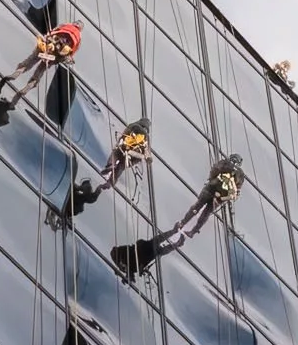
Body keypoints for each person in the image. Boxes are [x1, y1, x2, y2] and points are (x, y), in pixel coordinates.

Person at [111, 153, 245, 279]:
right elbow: (236, 194)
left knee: (196, 208)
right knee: (205, 213)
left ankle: (184, 224)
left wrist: (175, 237)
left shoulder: (225, 163)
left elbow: (214, 170)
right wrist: (223, 197)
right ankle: (191, 230)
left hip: (210, 188)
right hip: (218, 197)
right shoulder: (240, 175)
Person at [62, 118, 152, 219]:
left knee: (115, 155)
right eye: (88, 187)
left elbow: (124, 134)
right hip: (134, 154)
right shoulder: (146, 137)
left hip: (126, 147)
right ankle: (111, 180)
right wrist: (147, 158)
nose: (90, 187)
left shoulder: (135, 126)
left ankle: (111, 166)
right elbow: (146, 152)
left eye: (88, 187)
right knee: (121, 166)